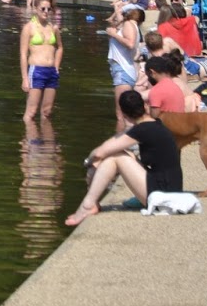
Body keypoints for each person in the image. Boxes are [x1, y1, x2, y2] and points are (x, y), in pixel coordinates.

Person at [64, 89, 183, 226]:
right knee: (124, 154)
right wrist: (96, 161)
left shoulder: (143, 130)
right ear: (145, 106)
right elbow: (111, 145)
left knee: (116, 157)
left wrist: (89, 162)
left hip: (164, 199)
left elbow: (99, 153)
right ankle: (93, 203)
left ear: (124, 114)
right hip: (170, 190)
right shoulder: (154, 124)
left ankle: (88, 205)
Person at [19, 0, 63, 121]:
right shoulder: (28, 28)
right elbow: (23, 54)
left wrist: (56, 66)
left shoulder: (54, 28)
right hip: (36, 71)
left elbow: (60, 47)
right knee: (31, 112)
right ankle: (28, 133)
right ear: (35, 9)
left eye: (49, 9)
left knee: (47, 111)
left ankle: (46, 134)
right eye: (43, 9)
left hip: (51, 71)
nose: (46, 12)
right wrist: (25, 78)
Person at [104, 2, 145, 134]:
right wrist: (117, 13)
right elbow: (114, 24)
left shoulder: (128, 24)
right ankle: (131, 141)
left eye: (122, 13)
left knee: (121, 115)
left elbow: (130, 44)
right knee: (126, 114)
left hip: (123, 71)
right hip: (125, 70)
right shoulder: (132, 26)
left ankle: (120, 143)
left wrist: (114, 35)